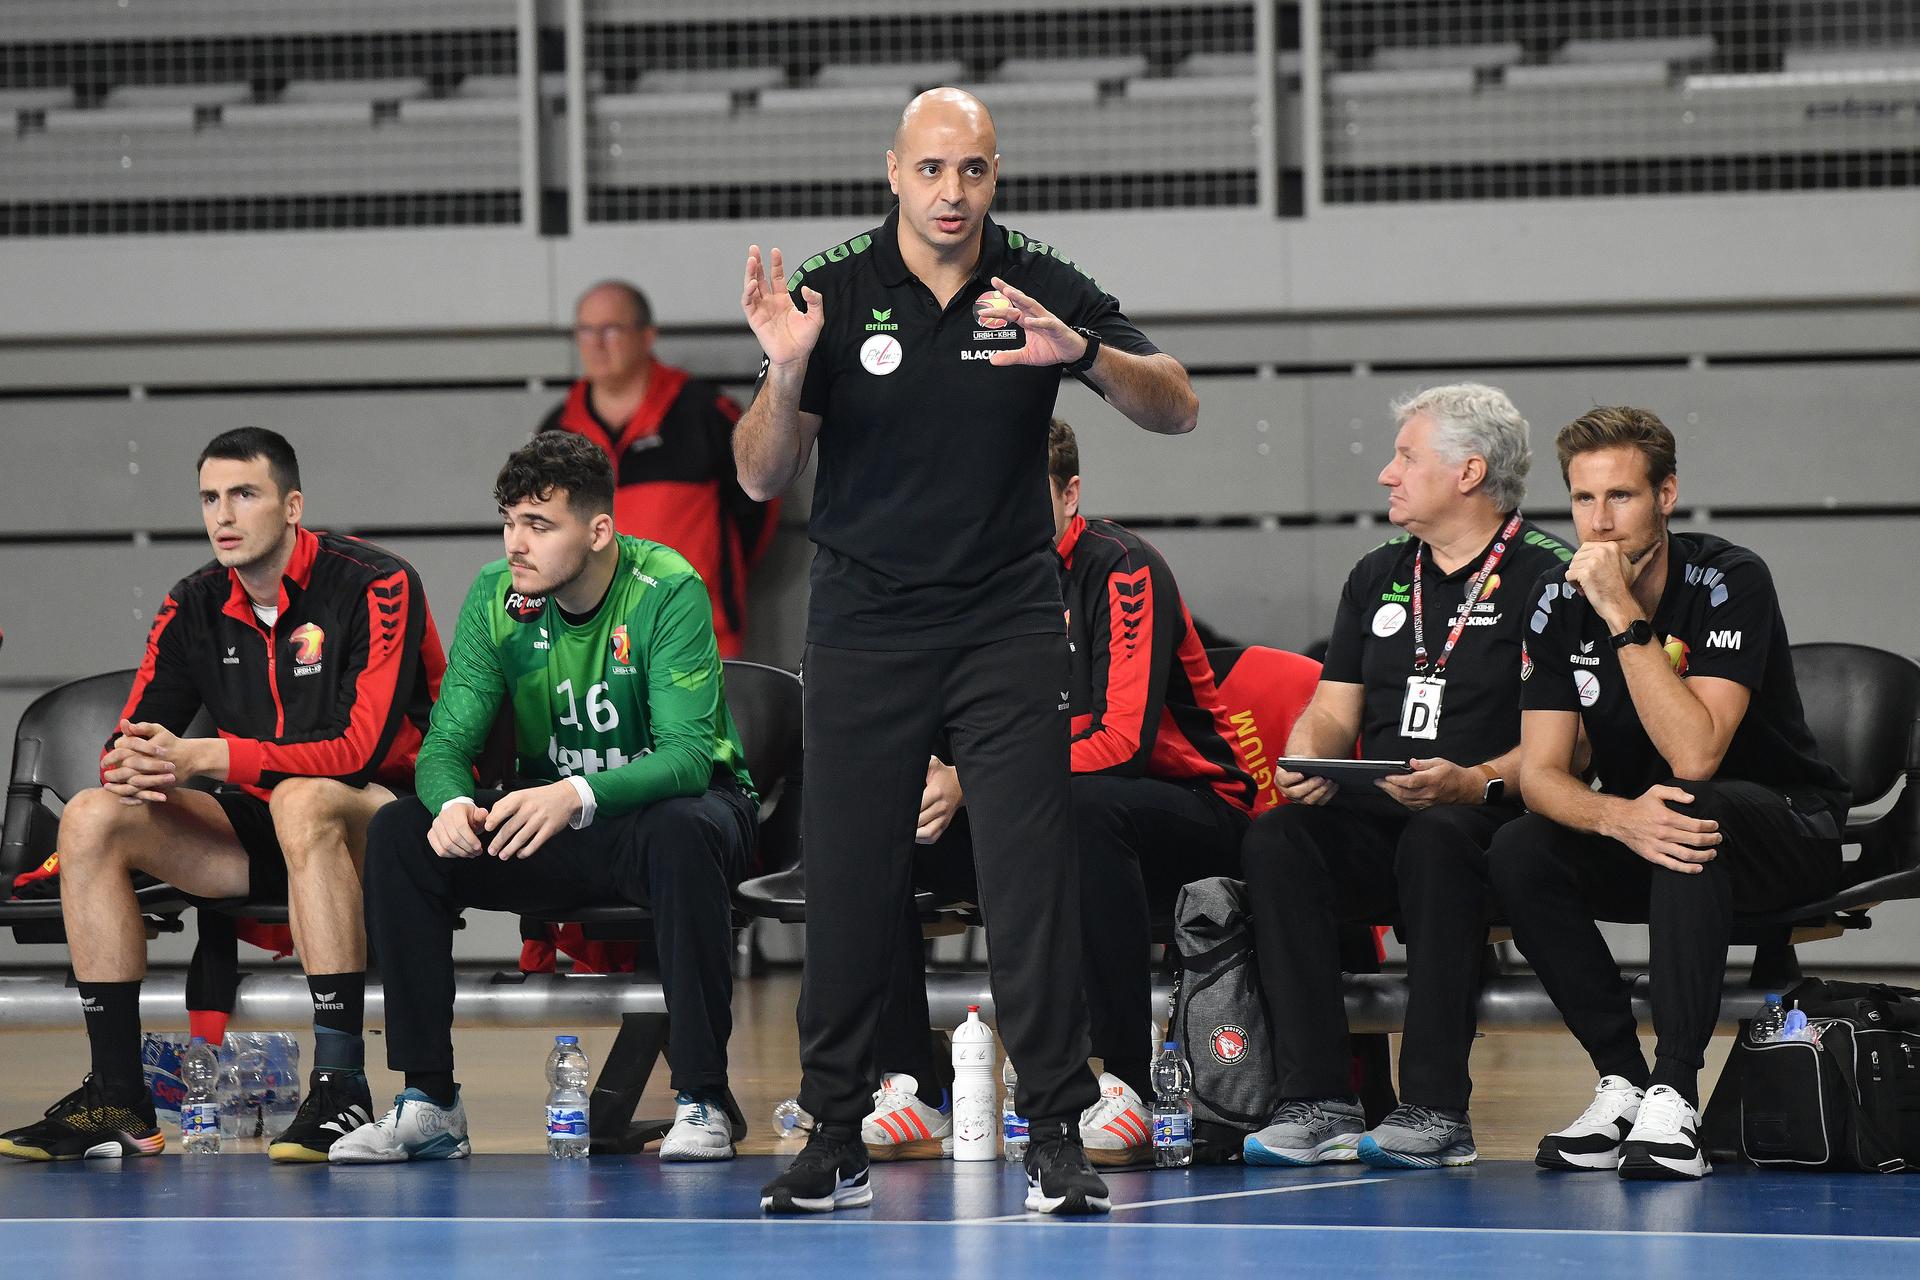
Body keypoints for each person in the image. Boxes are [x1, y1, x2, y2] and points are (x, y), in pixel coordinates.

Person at [737, 88, 1199, 1215]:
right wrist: (787, 369)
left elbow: (1178, 404)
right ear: (891, 171)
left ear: (997, 175)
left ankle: (1055, 1130)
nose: (953, 192)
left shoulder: (1038, 276)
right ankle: (835, 1132)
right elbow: (758, 474)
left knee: (1030, 878)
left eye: (974, 171)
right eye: (933, 169)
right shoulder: (831, 290)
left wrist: (1081, 350)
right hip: (864, 623)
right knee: (849, 876)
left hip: (1004, 621)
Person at [0, 427, 444, 1164]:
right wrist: (135, 766)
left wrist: (208, 755)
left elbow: (359, 749)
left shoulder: (375, 582)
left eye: (245, 494)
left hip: (388, 823)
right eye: (210, 497)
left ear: (292, 505)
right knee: (92, 816)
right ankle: (117, 1095)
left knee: (305, 797)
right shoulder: (195, 604)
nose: (223, 515)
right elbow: (129, 743)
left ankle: (339, 1088)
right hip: (261, 821)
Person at [333, 432, 758, 1165]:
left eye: (538, 524)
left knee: (683, 832)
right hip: (560, 818)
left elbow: (689, 757)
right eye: (508, 521)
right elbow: (444, 750)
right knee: (403, 833)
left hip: (678, 812)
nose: (515, 544)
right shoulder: (497, 597)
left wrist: (576, 793)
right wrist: (449, 807)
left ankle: (701, 1097)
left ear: (598, 531)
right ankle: (430, 1100)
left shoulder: (669, 587)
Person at [862, 420, 1253, 1168]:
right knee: (879, 827)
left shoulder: (1122, 568)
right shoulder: (965, 581)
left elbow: (1121, 744)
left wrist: (973, 778)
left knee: (1083, 810)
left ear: (1070, 494)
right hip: (1027, 811)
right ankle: (914, 1084)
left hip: (1190, 813)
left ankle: (1123, 1084)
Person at [1490, 406, 1848, 1181]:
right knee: (1521, 846)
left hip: (1788, 830)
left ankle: (1676, 1090)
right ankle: (1624, 1082)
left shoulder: (1731, 579)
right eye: (1583, 500)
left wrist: (1621, 610)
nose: (1600, 522)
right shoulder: (1554, 599)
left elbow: (1695, 755)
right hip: (1655, 831)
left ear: (1666, 495)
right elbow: (1542, 775)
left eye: (1620, 496)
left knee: (1687, 805)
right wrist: (1614, 816)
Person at [1236, 384, 1575, 1171]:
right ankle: (1318, 1099)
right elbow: (1329, 710)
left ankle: (1434, 1111)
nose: (1388, 474)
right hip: (1384, 807)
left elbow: (1571, 748)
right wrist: (1304, 758)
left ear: (1468, 472)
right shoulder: (1379, 573)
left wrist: (1475, 778)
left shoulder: (1550, 576)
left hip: (1497, 812)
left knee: (1439, 834)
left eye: (1406, 457)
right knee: (1281, 837)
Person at [540, 278, 778, 659]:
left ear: (647, 336)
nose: (596, 343)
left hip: (696, 633)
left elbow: (757, 509)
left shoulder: (703, 413)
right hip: (592, 646)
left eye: (611, 329)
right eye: (585, 329)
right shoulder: (558, 430)